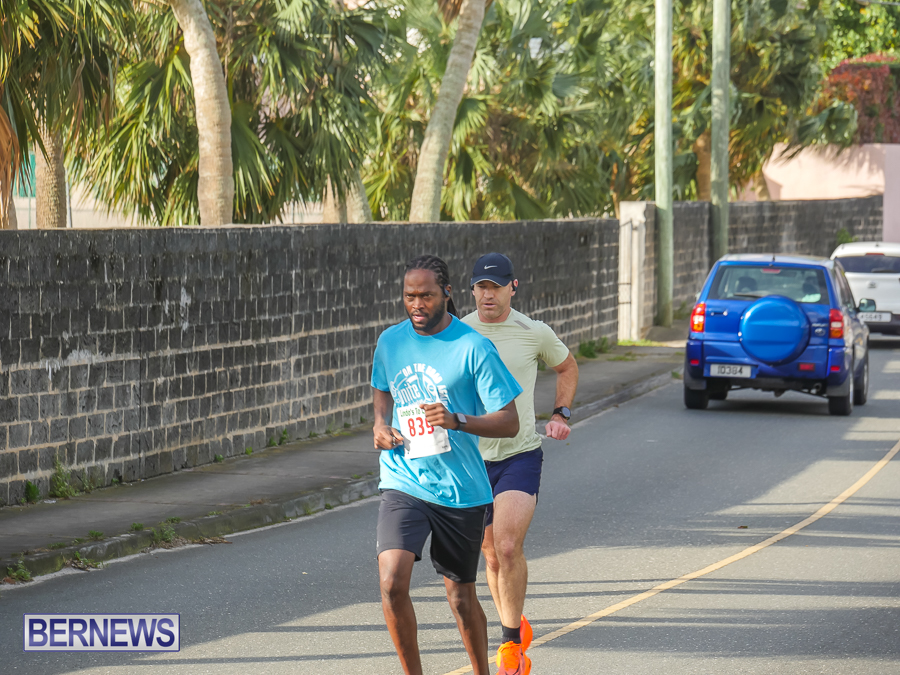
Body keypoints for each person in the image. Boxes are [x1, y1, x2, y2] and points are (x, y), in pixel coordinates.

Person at [372, 254, 524, 675]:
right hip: (404, 477)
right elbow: (382, 389)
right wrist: (380, 424)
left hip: (460, 489)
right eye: (409, 296)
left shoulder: (473, 347)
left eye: (425, 295)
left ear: (447, 293)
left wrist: (457, 420)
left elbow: (509, 420)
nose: (416, 304)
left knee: (460, 597)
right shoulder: (390, 341)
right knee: (391, 581)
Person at [463, 252, 579, 675]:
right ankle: (514, 621)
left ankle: (510, 645)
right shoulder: (458, 332)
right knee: (491, 555)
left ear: (513, 287)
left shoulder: (534, 332)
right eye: (481, 287)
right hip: (471, 459)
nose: (488, 295)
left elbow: (567, 367)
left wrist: (560, 413)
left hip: (519, 453)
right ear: (472, 290)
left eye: (496, 287)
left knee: (508, 546)